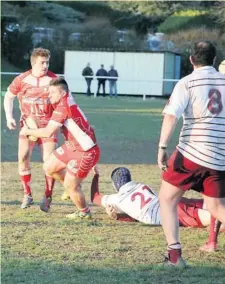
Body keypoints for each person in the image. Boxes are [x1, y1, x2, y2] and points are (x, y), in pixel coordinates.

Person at [157, 41, 225, 267]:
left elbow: (170, 116)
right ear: (214, 60)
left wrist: (162, 147)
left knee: (167, 198)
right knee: (216, 207)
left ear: (191, 59)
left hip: (192, 153)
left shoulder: (187, 83)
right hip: (219, 157)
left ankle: (175, 257)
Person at [20, 78, 100, 219]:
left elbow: (47, 132)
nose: (49, 96)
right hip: (72, 146)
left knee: (70, 185)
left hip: (85, 152)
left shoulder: (63, 108)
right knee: (49, 167)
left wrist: (27, 131)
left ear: (63, 93)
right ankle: (73, 186)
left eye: (52, 93)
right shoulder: (68, 98)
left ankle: (84, 212)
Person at [90, 167, 225, 237]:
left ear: (116, 185)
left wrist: (96, 176)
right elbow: (139, 212)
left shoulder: (117, 199)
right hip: (176, 202)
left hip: (172, 214)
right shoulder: (141, 186)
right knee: (218, 206)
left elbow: (95, 197)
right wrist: (120, 217)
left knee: (217, 216)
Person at [4, 47, 57, 212]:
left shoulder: (55, 80)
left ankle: (47, 197)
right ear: (33, 63)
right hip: (27, 126)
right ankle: (27, 194)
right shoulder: (22, 79)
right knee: (23, 157)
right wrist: (9, 117)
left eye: (47, 62)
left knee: (49, 163)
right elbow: (8, 96)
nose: (45, 65)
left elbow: (66, 101)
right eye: (42, 62)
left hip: (48, 126)